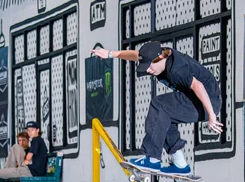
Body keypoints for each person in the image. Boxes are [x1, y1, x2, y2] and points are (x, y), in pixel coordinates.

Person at [91, 42, 223, 175]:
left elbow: (198, 86)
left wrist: (211, 115)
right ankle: (180, 164)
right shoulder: (157, 55)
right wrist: (110, 54)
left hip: (207, 101)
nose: (148, 71)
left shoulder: (176, 69)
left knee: (159, 105)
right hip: (198, 100)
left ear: (160, 58)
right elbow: (135, 55)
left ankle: (152, 159)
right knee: (164, 117)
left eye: (149, 67)